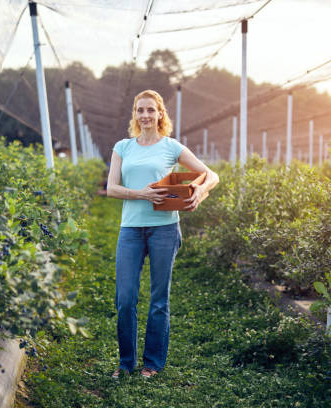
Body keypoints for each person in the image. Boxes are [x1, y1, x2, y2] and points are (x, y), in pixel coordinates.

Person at [106, 89, 219, 379]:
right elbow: (112, 188)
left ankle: (152, 363)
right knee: (126, 298)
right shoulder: (123, 147)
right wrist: (141, 194)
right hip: (130, 229)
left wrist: (200, 193)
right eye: (140, 110)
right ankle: (125, 362)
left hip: (165, 229)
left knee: (159, 298)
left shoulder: (171, 147)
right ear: (135, 115)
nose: (145, 115)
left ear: (160, 114)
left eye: (151, 110)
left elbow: (211, 175)